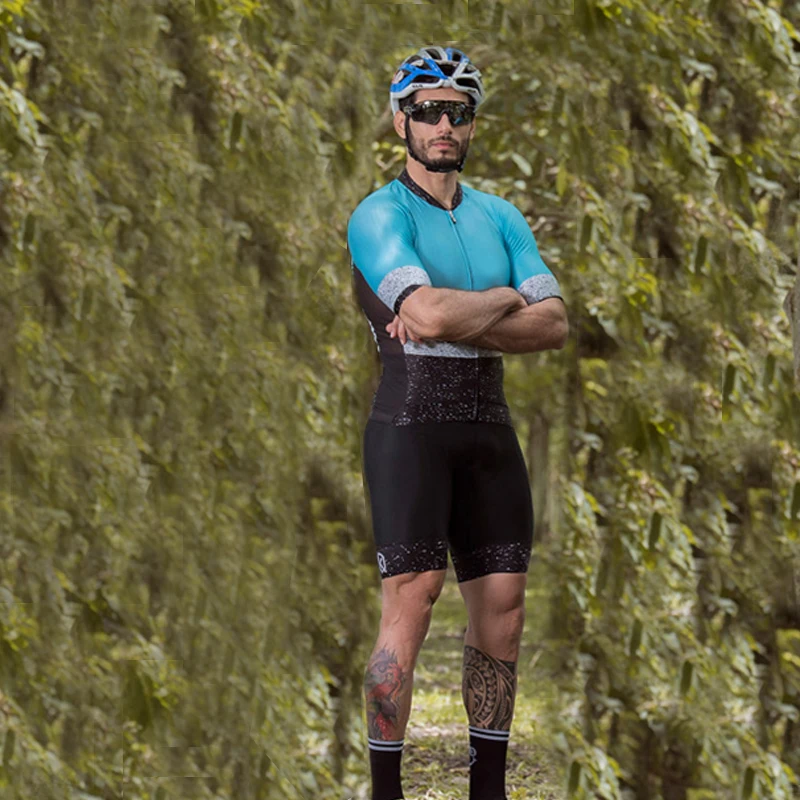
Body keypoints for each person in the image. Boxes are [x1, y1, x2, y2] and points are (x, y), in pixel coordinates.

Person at [346, 45, 568, 800]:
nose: (444, 124)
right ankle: (386, 791)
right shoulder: (380, 214)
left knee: (504, 610)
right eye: (428, 110)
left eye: (458, 112)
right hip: (410, 424)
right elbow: (430, 313)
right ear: (400, 120)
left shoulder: (500, 215)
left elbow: (554, 324)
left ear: (472, 124)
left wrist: (463, 313)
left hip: (489, 428)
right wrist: (508, 297)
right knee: (412, 604)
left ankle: (489, 789)